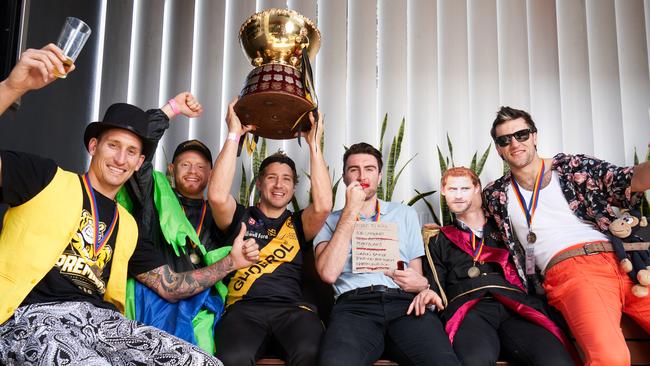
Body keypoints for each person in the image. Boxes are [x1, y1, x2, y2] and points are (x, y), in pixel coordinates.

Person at [0, 44, 225, 364]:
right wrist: (13, 87)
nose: (121, 158)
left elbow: (173, 285)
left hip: (102, 324)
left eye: (131, 151)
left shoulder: (128, 225)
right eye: (113, 146)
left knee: (201, 362)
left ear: (140, 162)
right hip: (30, 316)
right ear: (94, 146)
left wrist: (232, 261)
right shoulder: (44, 179)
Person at [483, 106, 650, 366]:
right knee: (611, 357)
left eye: (522, 134)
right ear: (498, 149)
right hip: (572, 271)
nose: (514, 143)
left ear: (534, 136)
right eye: (505, 140)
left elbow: (626, 179)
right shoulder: (496, 195)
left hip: (627, 262)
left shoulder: (573, 167)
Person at [120, 93, 259, 353]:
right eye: (185, 164)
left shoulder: (220, 212)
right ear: (171, 169)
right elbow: (139, 150)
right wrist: (170, 110)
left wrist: (235, 133)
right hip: (149, 298)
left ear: (211, 173)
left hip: (200, 305)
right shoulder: (153, 195)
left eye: (200, 166)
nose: (193, 171)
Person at [207, 99, 332, 365]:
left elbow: (323, 206)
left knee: (312, 353)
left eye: (286, 179)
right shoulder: (241, 216)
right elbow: (217, 196)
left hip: (293, 311)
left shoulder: (299, 223)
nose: (279, 184)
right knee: (234, 357)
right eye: (272, 177)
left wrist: (313, 144)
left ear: (294, 186)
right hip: (243, 310)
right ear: (260, 183)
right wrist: (233, 134)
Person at [313, 142, 460, 366]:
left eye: (370, 169)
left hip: (405, 305)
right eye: (354, 169)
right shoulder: (328, 220)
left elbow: (416, 276)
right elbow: (328, 274)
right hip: (354, 309)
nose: (362, 175)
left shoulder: (405, 214)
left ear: (380, 176)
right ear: (344, 177)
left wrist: (422, 285)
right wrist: (351, 210)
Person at [410, 167, 575, 365]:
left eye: (465, 188)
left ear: (477, 188)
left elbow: (530, 266)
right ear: (443, 191)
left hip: (515, 306)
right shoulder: (437, 239)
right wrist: (428, 295)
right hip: (469, 310)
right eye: (452, 189)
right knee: (474, 361)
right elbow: (437, 285)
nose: (458, 196)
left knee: (555, 360)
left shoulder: (507, 227)